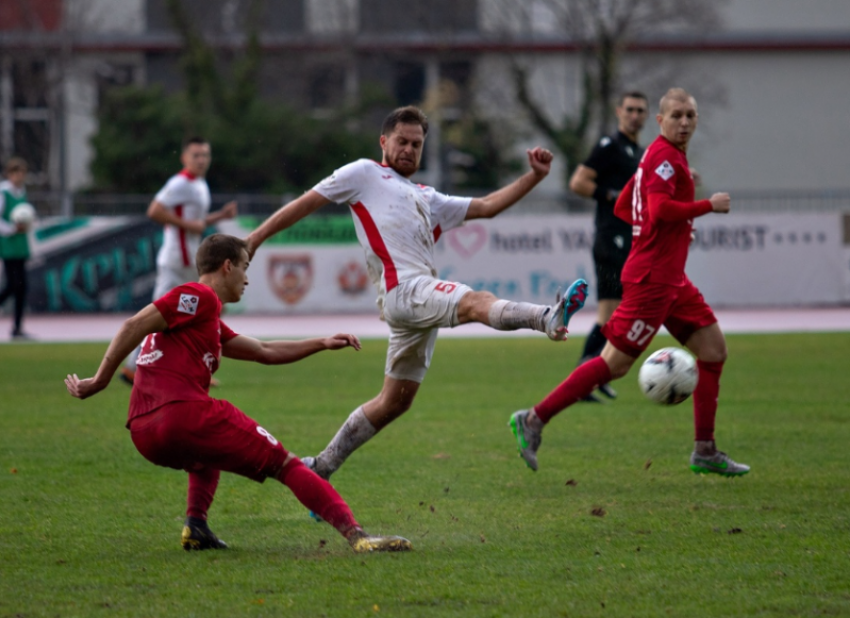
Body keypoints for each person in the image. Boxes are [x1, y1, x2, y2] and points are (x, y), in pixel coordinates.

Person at [246, 105, 588, 481]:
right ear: (383, 141)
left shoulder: (427, 196)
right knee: (475, 301)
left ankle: (321, 467)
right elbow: (305, 202)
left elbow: (487, 207)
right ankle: (546, 317)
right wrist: (254, 238)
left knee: (394, 402)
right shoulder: (363, 173)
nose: (409, 149)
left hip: (413, 300)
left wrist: (534, 177)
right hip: (405, 290)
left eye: (417, 144)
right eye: (402, 141)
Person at [65, 234, 412, 553]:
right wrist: (100, 380)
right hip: (182, 414)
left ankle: (196, 527)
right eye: (245, 267)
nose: (247, 278)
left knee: (204, 458)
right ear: (227, 266)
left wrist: (320, 342)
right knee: (286, 464)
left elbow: (263, 351)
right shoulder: (199, 296)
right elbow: (133, 324)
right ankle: (358, 536)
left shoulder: (207, 319)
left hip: (143, 431)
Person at [509, 88, 750, 477]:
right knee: (614, 365)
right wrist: (707, 206)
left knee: (713, 350)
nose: (684, 122)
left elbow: (626, 206)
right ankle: (533, 419)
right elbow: (657, 209)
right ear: (661, 120)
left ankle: (705, 450)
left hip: (671, 279)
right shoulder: (665, 159)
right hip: (653, 280)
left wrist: (667, 233)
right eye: (676, 116)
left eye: (690, 115)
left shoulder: (657, 157)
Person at [120, 137, 238, 385]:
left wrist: (220, 215)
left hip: (188, 262)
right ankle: (133, 368)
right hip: (176, 260)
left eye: (205, 154)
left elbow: (195, 221)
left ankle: (192, 368)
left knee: (201, 311)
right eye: (196, 155)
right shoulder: (179, 183)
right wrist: (187, 225)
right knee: (162, 315)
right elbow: (154, 210)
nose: (201, 159)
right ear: (184, 158)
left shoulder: (199, 184)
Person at [568, 92, 649, 402]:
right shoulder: (609, 147)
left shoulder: (638, 152)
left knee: (619, 316)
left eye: (640, 110)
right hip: (609, 236)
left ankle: (595, 376)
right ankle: (582, 377)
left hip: (629, 238)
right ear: (619, 112)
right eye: (629, 109)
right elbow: (578, 182)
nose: (634, 115)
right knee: (609, 312)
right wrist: (612, 196)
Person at [0, 157, 33, 340]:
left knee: (22, 287)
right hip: (8, 244)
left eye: (22, 173)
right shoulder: (3, 192)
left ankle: (17, 328)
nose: (19, 177)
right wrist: (12, 229)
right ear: (9, 174)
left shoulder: (22, 192)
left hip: (20, 245)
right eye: (16, 173)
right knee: (13, 284)